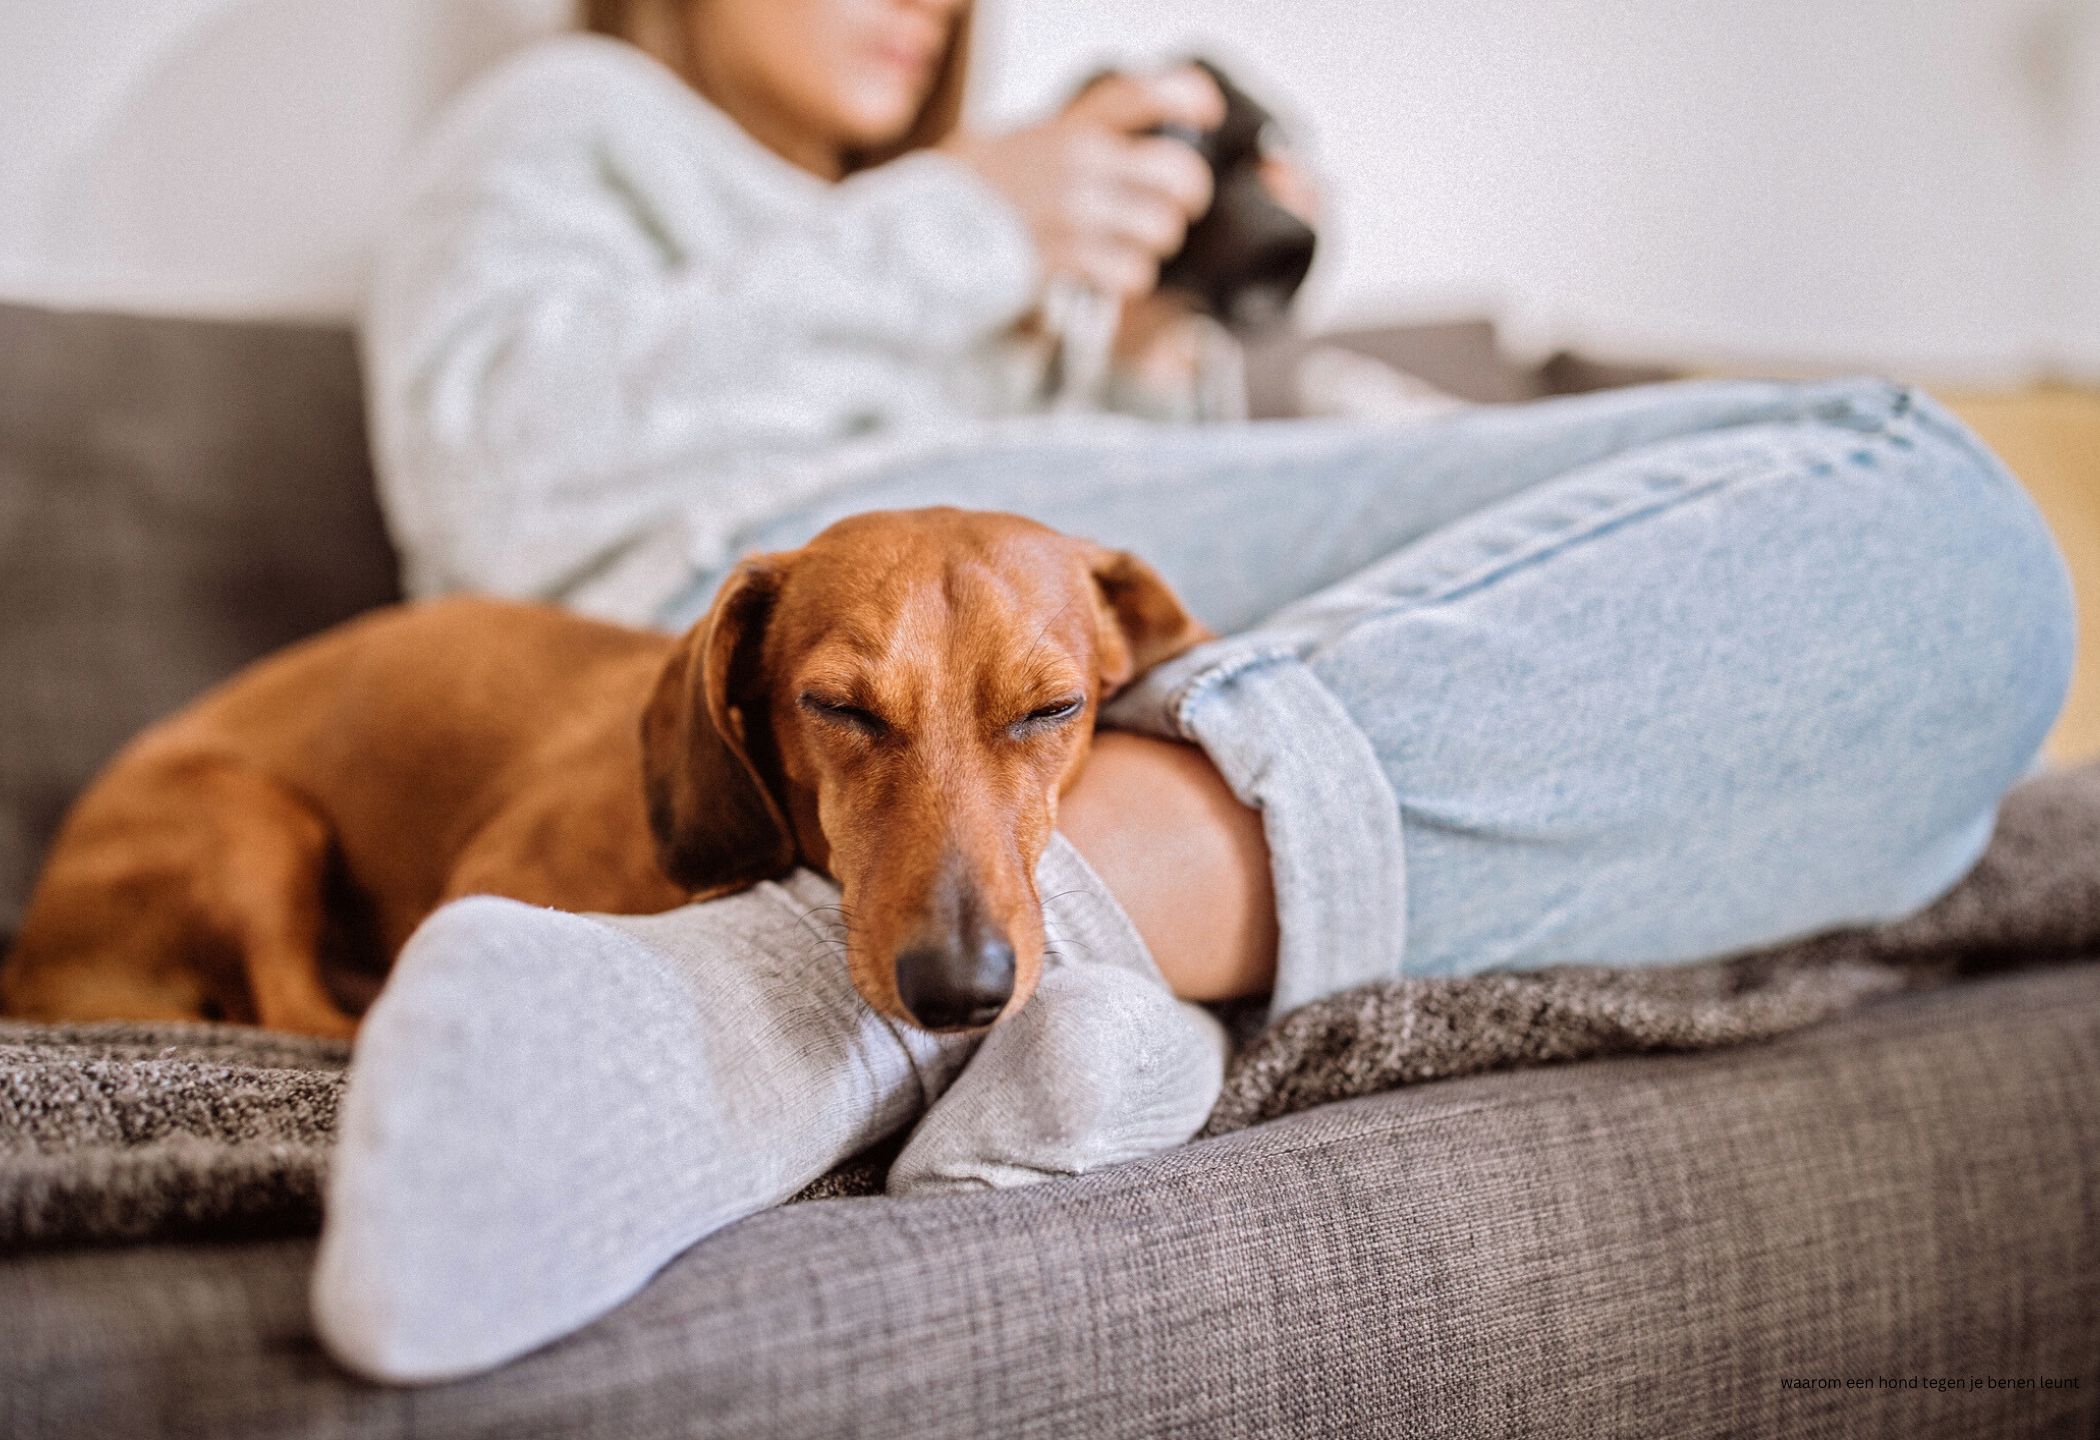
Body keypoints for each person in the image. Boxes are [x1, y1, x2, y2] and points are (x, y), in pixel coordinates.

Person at [317, 0, 2078, 1381]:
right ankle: (778, 1009)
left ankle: (1045, 949)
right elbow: (496, 482)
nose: (925, 5)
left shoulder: (929, 243)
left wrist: (1166, 348)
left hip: (1037, 586)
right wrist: (968, 222)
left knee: (1948, 606)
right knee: (1920, 496)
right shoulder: (572, 124)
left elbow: (1161, 657)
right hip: (785, 565)